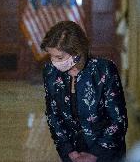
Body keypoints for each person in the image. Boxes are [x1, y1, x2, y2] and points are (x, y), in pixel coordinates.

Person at [40, 21, 128, 162]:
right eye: (51, 56)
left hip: (105, 153)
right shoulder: (50, 72)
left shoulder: (104, 70)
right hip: (71, 154)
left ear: (77, 53)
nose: (54, 62)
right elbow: (53, 115)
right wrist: (69, 151)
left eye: (59, 57)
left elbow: (118, 121)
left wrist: (94, 154)